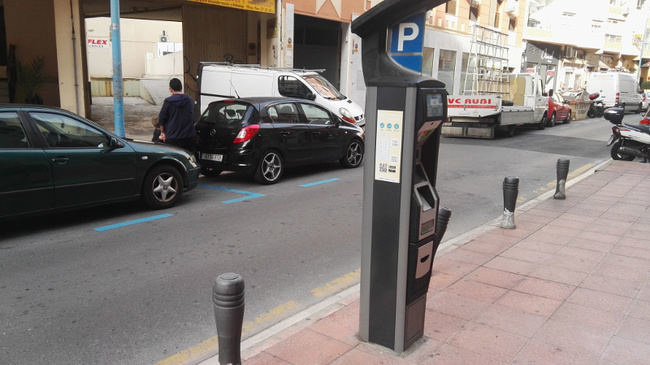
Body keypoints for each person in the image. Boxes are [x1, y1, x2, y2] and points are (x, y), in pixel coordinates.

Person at [156, 78, 196, 151]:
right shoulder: (190, 100)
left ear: (171, 89)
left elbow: (161, 119)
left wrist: (162, 132)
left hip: (173, 138)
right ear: (181, 88)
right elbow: (193, 117)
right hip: (189, 137)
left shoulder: (168, 101)